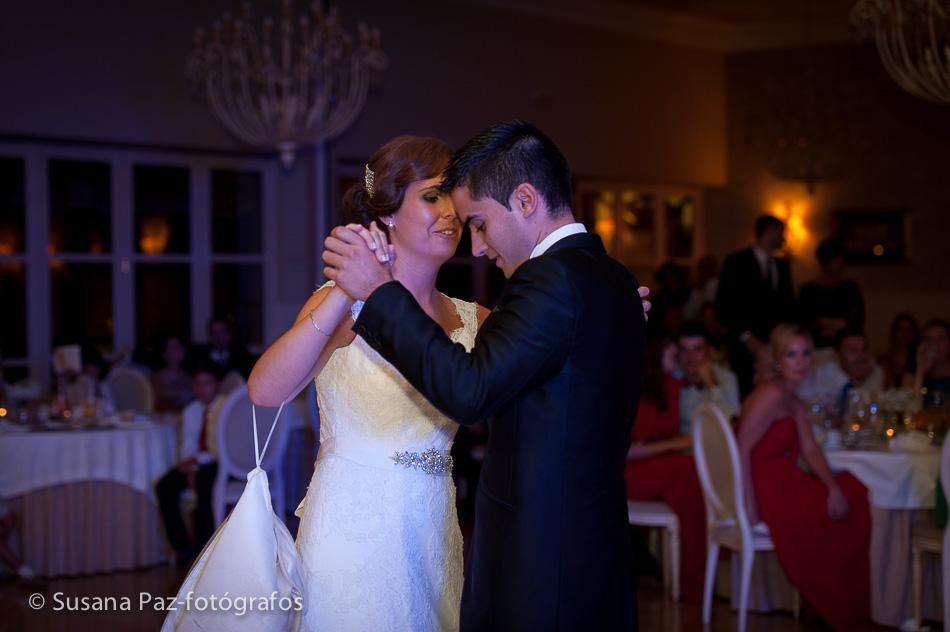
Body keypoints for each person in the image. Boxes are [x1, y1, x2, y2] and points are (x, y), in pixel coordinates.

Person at [323, 120, 646, 631]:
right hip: (589, 542)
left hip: (542, 558)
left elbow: (470, 391)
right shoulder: (611, 278)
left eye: (479, 223)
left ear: (523, 200)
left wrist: (381, 293)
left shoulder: (550, 280)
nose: (475, 247)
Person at [249, 135, 487, 631]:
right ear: (387, 215)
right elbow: (265, 391)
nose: (451, 213)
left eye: (455, 197)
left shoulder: (476, 319)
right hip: (350, 535)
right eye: (432, 195)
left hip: (435, 531)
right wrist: (346, 290)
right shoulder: (341, 305)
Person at [737, 323, 871, 631]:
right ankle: (833, 606)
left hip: (787, 478)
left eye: (806, 354)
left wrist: (832, 486)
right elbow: (741, 450)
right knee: (841, 509)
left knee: (852, 489)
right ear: (777, 360)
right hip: (768, 485)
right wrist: (749, 505)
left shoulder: (792, 398)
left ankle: (831, 607)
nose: (801, 362)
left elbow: (810, 450)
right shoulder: (771, 394)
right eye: (791, 354)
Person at [624, 337, 706, 603]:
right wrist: (674, 444)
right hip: (628, 470)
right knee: (685, 470)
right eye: (672, 354)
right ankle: (693, 578)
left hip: (655, 464)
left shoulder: (672, 385)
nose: (679, 358)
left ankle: (693, 576)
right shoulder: (633, 387)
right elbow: (627, 450)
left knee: (690, 474)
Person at [715, 214, 795, 396]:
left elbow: (788, 307)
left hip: (775, 346)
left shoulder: (782, 266)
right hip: (744, 347)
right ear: (768, 231)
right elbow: (725, 305)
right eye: (780, 232)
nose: (783, 237)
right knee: (746, 393)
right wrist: (746, 337)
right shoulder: (737, 262)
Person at [155, 361, 224, 565]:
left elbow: (221, 448)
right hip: (198, 462)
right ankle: (182, 546)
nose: (202, 389)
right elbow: (188, 443)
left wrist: (198, 463)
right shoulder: (192, 410)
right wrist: (190, 466)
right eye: (198, 384)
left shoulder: (225, 407)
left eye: (208, 383)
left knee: (205, 481)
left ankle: (203, 548)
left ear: (217, 385)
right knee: (164, 486)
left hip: (219, 463)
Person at [797, 328, 884, 416]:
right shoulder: (815, 377)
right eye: (852, 350)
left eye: (865, 349)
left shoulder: (875, 373)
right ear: (837, 355)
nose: (861, 356)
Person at [798, 238, 865, 349]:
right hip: (817, 346)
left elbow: (858, 319)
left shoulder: (850, 288)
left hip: (848, 347)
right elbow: (804, 320)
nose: (841, 264)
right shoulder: (808, 290)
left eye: (842, 260)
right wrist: (825, 325)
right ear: (826, 262)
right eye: (837, 260)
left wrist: (838, 325)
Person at [674, 320, 740, 429]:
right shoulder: (673, 376)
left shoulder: (726, 377)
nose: (690, 357)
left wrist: (712, 385)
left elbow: (732, 422)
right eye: (684, 350)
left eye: (697, 349)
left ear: (709, 350)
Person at [904, 319, 950, 402]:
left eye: (940, 339)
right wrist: (920, 372)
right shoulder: (911, 373)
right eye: (929, 339)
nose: (934, 344)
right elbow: (910, 406)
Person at [151, 335, 194, 412]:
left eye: (180, 346)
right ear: (164, 354)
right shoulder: (157, 377)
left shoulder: (189, 375)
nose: (179, 350)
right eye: (173, 347)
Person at [879, 313, 918, 389]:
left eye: (909, 329)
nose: (904, 333)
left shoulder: (919, 360)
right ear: (894, 333)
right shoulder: (884, 360)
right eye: (900, 329)